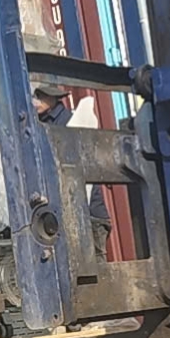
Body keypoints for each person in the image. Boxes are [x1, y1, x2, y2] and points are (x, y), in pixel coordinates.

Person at [34, 83, 113, 259]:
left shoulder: (69, 122)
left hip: (90, 213)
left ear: (53, 98)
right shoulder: (41, 124)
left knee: (95, 264)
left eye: (40, 97)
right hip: (70, 212)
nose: (35, 101)